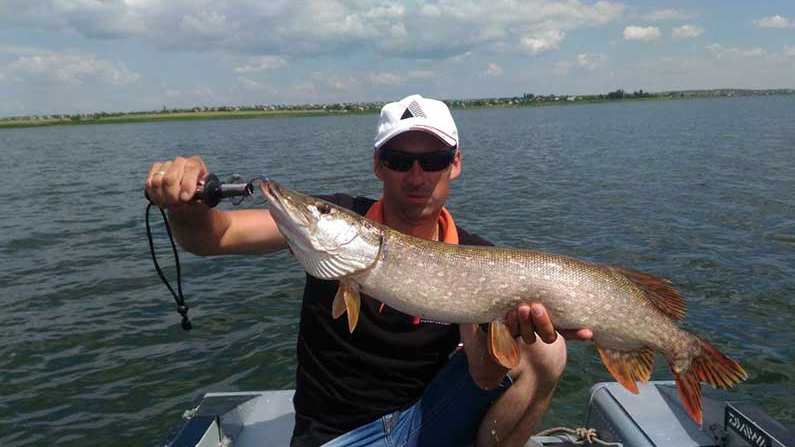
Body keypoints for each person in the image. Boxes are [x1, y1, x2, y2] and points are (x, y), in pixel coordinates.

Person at [145, 94, 592, 447]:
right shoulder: (333, 221)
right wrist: (183, 205)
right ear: (379, 164)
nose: (416, 175)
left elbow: (483, 377)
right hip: (338, 437)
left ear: (454, 164)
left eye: (433, 160)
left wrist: (515, 334)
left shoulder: (476, 255)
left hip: (424, 423)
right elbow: (213, 236)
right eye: (399, 161)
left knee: (546, 353)